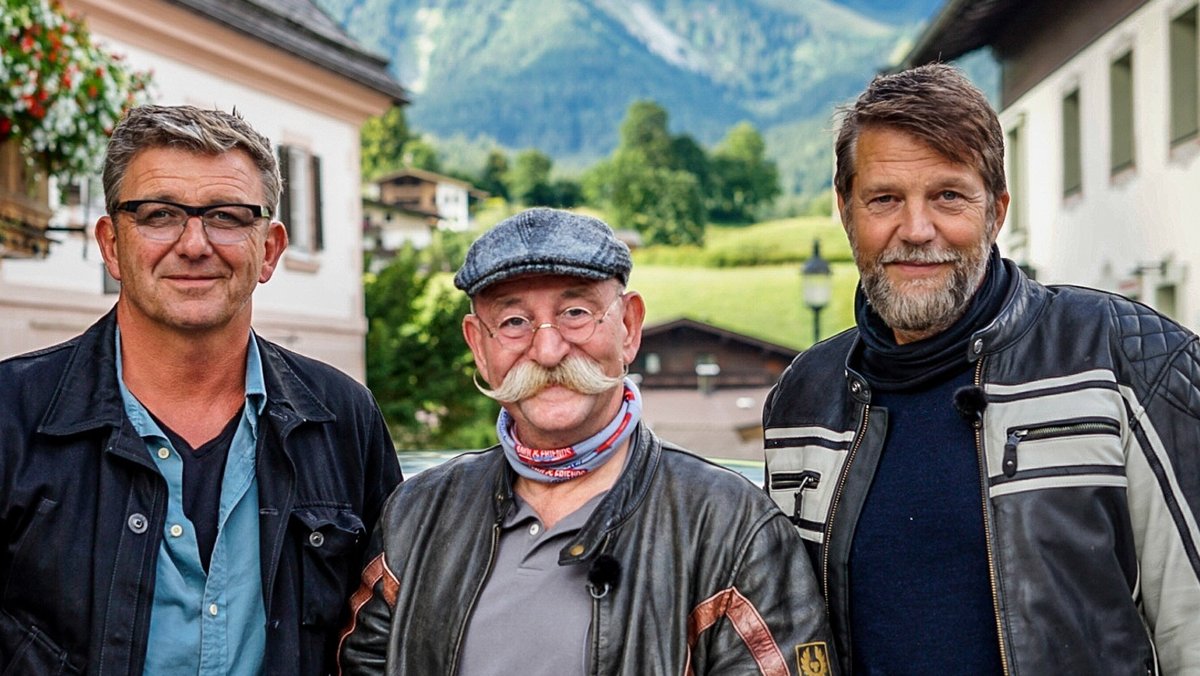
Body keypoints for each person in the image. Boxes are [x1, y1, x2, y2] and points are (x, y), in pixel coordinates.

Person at [763, 62, 1200, 674]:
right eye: (884, 199)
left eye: (948, 196)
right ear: (845, 210)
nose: (916, 231)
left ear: (996, 210)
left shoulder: (1124, 359)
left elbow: (1192, 624)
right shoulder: (802, 401)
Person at [338, 207, 834, 675]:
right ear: (479, 346)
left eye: (576, 312)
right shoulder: (416, 515)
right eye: (514, 322)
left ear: (629, 328)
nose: (549, 349)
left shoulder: (732, 526)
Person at [0, 105, 402, 675]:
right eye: (159, 214)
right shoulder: (11, 417)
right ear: (111, 244)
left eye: (227, 216)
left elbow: (381, 638)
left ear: (269, 249)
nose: (193, 244)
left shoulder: (342, 419)